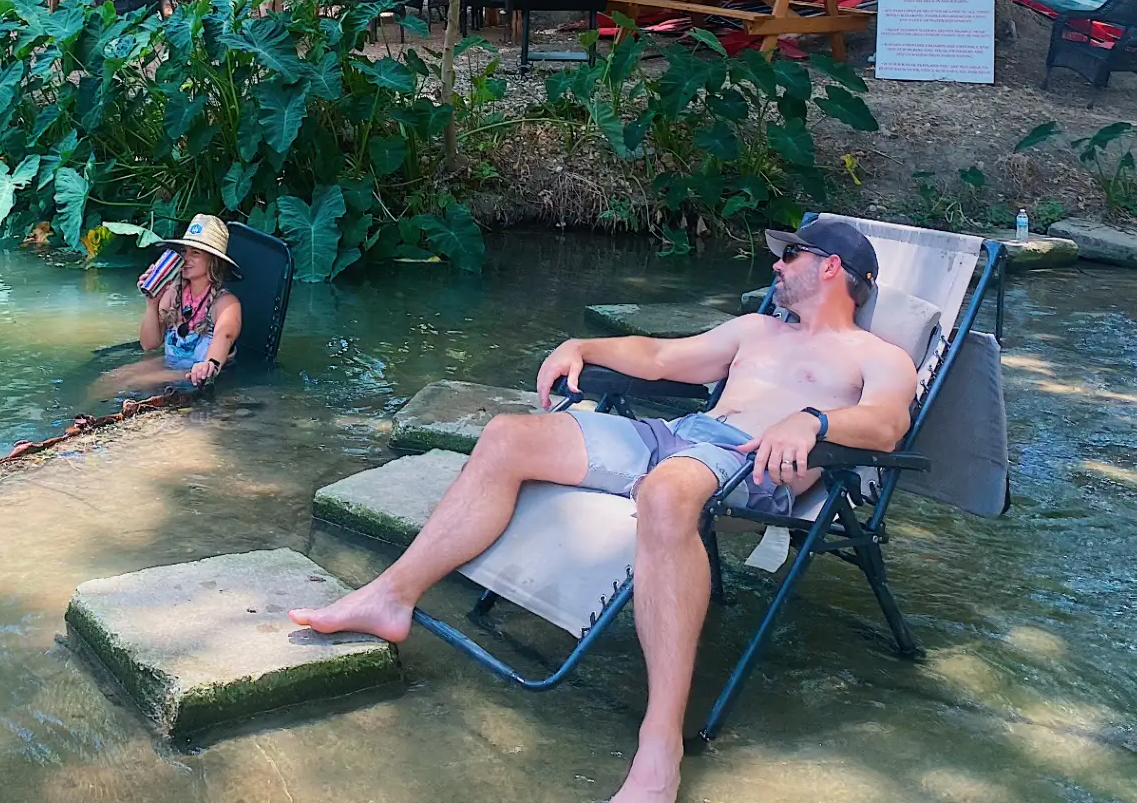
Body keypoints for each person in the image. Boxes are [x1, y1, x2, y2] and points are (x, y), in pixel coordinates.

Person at [290, 219, 918, 803]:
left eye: (790, 255)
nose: (776, 265)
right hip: (683, 434)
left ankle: (660, 744)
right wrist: (581, 345)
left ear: (832, 267)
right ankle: (391, 597)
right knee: (509, 436)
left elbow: (889, 422)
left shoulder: (877, 354)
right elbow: (663, 358)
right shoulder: (756, 330)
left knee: (667, 492)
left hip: (750, 465)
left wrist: (815, 420)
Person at [136, 213, 243, 387]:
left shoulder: (227, 303)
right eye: (184, 251)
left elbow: (225, 335)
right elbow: (149, 345)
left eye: (195, 253)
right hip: (171, 368)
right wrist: (152, 302)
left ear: (213, 261)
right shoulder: (173, 293)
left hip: (201, 382)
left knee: (132, 382)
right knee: (111, 378)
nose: (185, 258)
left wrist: (210, 364)